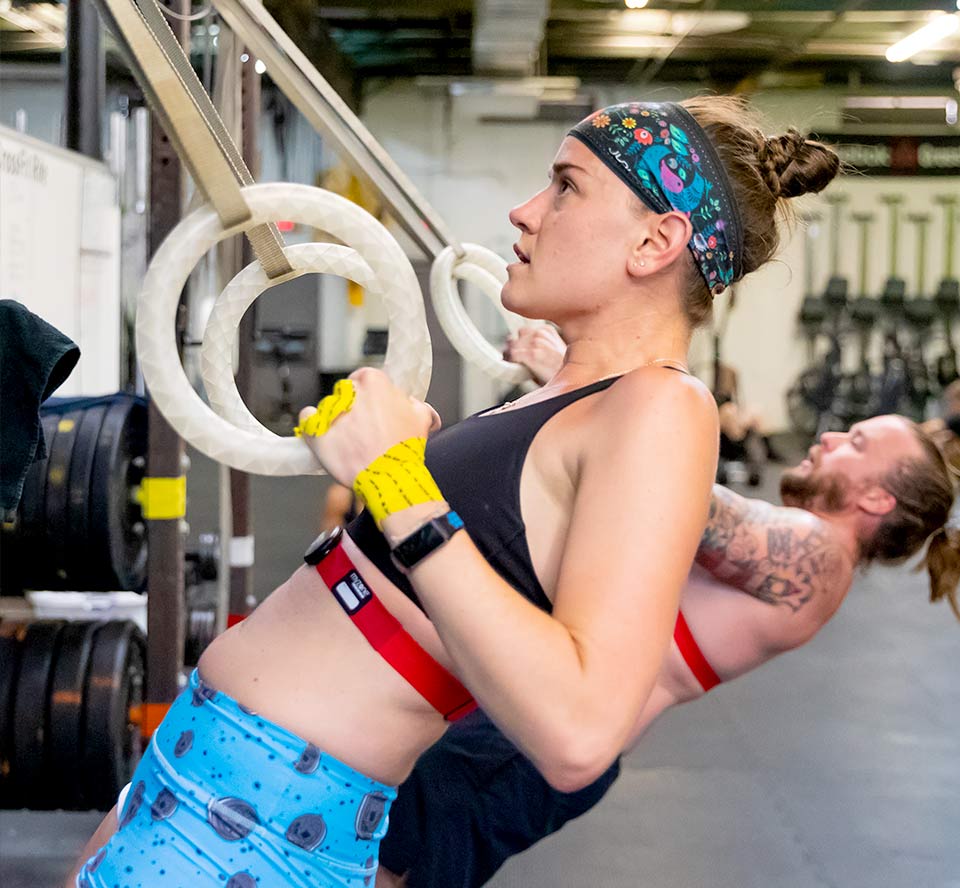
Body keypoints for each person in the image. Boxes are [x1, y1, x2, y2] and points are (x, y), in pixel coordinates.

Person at [72, 97, 841, 887]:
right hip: (206, 758)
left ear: (655, 241)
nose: (526, 210)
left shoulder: (662, 408)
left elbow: (580, 732)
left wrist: (397, 477)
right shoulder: (560, 399)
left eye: (566, 187)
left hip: (264, 813)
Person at [377, 414, 960, 888]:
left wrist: (598, 384)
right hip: (538, 725)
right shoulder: (809, 552)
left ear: (876, 500)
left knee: (381, 868)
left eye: (856, 442)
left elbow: (670, 488)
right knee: (377, 857)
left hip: (526, 748)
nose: (829, 436)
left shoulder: (817, 554)